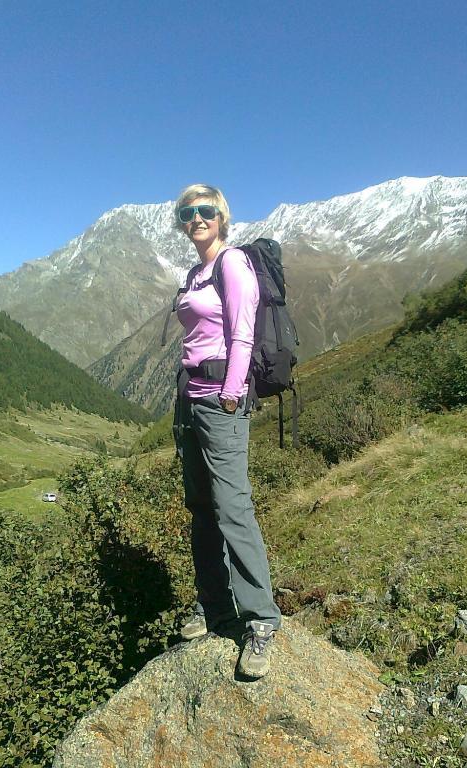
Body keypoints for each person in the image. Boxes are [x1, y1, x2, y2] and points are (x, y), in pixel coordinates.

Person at [172, 183, 281, 678]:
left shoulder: (231, 263)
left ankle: (261, 619)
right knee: (201, 509)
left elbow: (243, 331)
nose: (196, 218)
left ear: (222, 217)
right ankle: (214, 607)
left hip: (220, 399)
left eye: (205, 211)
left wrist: (233, 392)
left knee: (233, 507)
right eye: (188, 212)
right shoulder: (195, 273)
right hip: (189, 399)